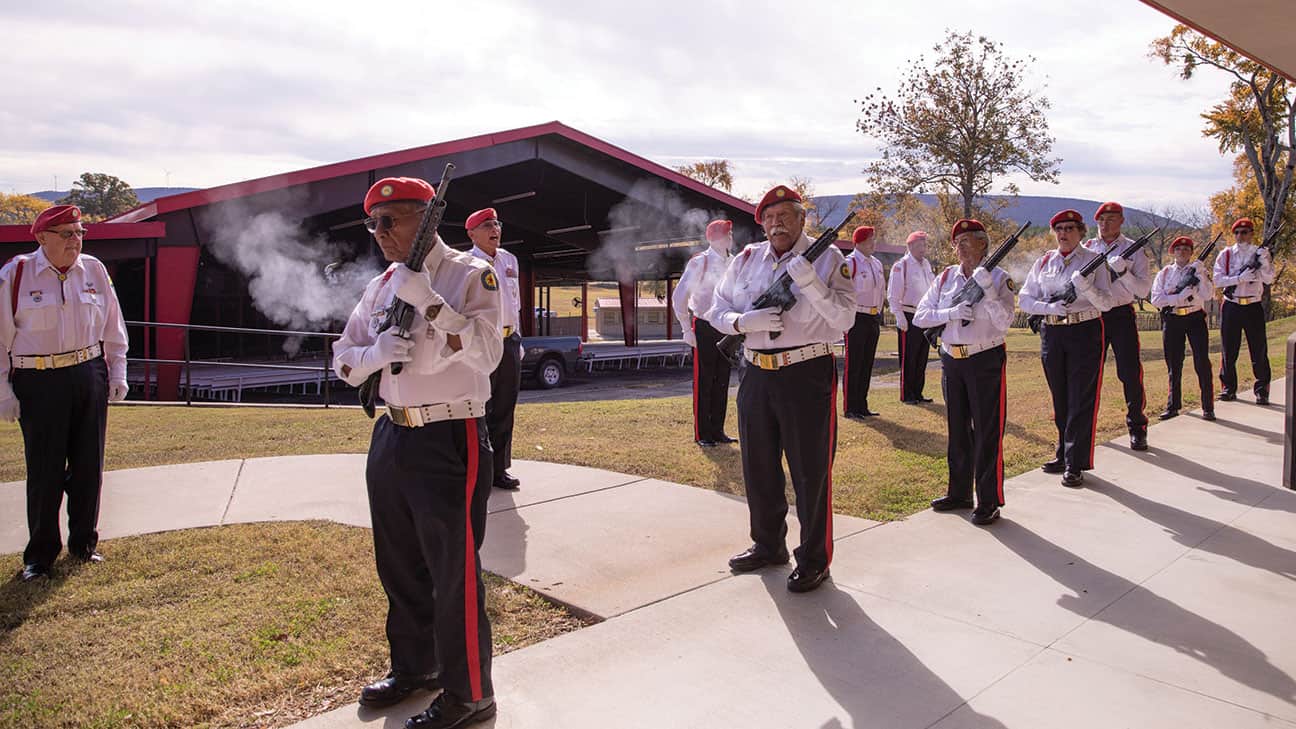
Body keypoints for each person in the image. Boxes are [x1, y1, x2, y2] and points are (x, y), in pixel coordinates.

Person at [333, 177, 501, 729]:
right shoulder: (380, 285)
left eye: (392, 220)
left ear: (427, 219)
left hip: (449, 433)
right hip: (392, 431)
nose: (380, 232)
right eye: (373, 223)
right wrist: (375, 355)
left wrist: (429, 302)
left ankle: (470, 694)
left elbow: (487, 354)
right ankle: (415, 666)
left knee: (454, 571)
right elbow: (344, 355)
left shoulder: (470, 274)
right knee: (399, 562)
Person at [706, 184, 854, 594]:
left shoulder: (829, 258)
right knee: (759, 466)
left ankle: (814, 559)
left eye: (785, 216)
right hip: (755, 373)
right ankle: (768, 545)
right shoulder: (747, 259)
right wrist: (742, 323)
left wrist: (811, 283)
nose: (777, 224)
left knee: (810, 472)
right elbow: (716, 308)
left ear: (802, 219)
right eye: (769, 218)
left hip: (805, 372)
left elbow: (845, 320)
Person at [0, 204, 129, 582]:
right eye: (67, 234)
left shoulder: (94, 270)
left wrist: (117, 371)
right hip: (38, 378)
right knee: (46, 470)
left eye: (80, 233)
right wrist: (3, 391)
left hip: (88, 371)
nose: (76, 240)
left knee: (89, 465)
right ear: (42, 238)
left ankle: (84, 544)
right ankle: (40, 556)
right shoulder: (16, 274)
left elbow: (113, 324)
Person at [915, 219, 1015, 525]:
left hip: (984, 359)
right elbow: (921, 316)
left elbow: (1005, 322)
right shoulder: (946, 277)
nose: (961, 248)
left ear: (983, 243)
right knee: (958, 430)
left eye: (968, 241)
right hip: (952, 360)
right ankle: (959, 493)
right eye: (957, 243)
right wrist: (951, 313)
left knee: (987, 431)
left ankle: (988, 500)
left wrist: (988, 290)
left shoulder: (999, 278)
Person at [1018, 209, 1117, 488]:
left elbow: (1107, 303)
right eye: (1059, 229)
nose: (1063, 234)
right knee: (1060, 397)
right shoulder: (1044, 261)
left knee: (1080, 398)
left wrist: (1086, 288)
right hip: (1052, 332)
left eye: (1070, 228)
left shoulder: (1094, 261)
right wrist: (1047, 307)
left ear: (1081, 232)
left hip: (1083, 330)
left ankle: (1076, 462)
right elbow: (1025, 298)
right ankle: (1063, 453)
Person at [1082, 202, 1150, 450]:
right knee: (1088, 375)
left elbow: (1143, 290)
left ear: (1121, 221)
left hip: (1121, 315)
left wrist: (1123, 272)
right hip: (1093, 316)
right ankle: (1085, 430)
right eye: (1101, 220)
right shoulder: (1087, 248)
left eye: (1111, 219)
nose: (1105, 224)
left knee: (1130, 373)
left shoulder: (1134, 249)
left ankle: (1137, 427)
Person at [466, 207, 524, 490]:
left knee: (504, 406)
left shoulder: (509, 260)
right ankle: (479, 470)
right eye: (487, 225)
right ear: (472, 233)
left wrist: (519, 340)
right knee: (480, 407)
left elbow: (515, 304)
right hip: (481, 343)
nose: (495, 230)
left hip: (509, 341)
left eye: (497, 224)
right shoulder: (464, 264)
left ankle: (499, 469)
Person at [672, 219, 735, 446]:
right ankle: (702, 433)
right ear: (714, 238)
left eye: (729, 233)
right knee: (704, 380)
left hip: (726, 326)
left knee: (722, 380)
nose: (730, 237)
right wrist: (686, 329)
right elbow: (679, 296)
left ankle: (717, 430)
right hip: (705, 326)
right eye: (726, 234)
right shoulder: (700, 261)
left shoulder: (733, 261)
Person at [1149, 236, 1215, 421]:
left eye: (1186, 249)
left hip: (1195, 317)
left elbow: (1208, 295)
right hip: (1173, 318)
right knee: (1174, 364)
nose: (1182, 251)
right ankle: (1173, 406)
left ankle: (1208, 406)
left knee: (1202, 362)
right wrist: (1178, 297)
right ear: (1173, 252)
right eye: (1178, 248)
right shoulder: (1164, 274)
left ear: (1191, 252)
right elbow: (1156, 299)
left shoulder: (1200, 271)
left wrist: (1201, 276)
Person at [1213, 217, 1276, 405]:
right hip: (1232, 304)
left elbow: (1269, 279)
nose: (1240, 236)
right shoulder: (1225, 254)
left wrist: (1264, 261)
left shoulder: (1260, 253)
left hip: (1253, 304)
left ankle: (1262, 390)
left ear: (1251, 234)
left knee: (1258, 349)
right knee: (1229, 349)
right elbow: (1218, 280)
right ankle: (1228, 387)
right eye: (1237, 233)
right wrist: (1239, 279)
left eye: (1245, 232)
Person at [887, 230, 936, 403]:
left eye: (925, 245)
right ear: (910, 246)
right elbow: (893, 294)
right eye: (920, 245)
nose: (923, 248)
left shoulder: (926, 264)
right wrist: (899, 316)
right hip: (908, 314)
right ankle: (907, 394)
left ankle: (918, 392)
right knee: (909, 357)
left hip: (924, 314)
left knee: (922, 356)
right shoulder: (902, 265)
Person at [842, 225, 884, 419]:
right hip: (856, 317)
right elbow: (843, 291)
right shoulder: (850, 263)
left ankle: (862, 404)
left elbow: (880, 290)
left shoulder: (876, 263)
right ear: (859, 242)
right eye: (870, 239)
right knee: (854, 363)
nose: (873, 243)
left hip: (872, 317)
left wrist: (879, 312)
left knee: (867, 363)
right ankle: (850, 407)